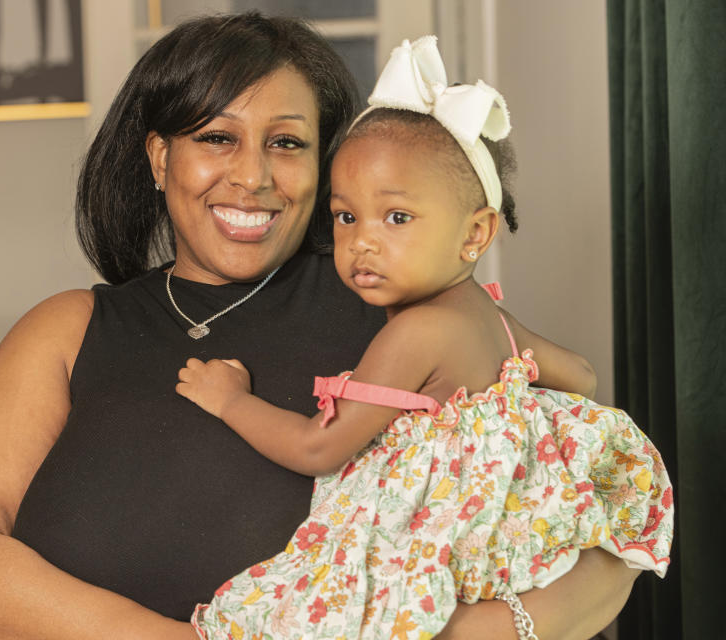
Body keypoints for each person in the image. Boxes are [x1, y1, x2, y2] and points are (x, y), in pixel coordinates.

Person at [0, 13, 644, 640]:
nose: (254, 176)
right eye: (216, 139)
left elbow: (596, 539)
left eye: (287, 143)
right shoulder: (68, 329)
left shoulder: (408, 314)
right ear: (161, 157)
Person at [176, 37, 672, 639]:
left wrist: (230, 400)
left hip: (441, 542)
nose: (362, 241)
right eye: (345, 216)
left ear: (475, 234)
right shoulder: (489, 316)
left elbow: (319, 449)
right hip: (508, 545)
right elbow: (584, 376)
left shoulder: (415, 333)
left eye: (398, 218)